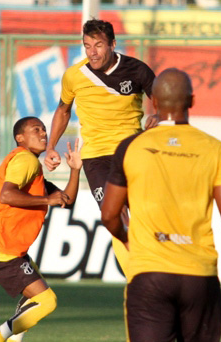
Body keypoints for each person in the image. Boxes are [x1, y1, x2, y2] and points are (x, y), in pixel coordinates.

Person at [100, 68, 221, 342]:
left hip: (149, 272)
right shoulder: (214, 149)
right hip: (198, 274)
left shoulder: (131, 147)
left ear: (153, 102)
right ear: (192, 102)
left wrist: (126, 236)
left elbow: (109, 214)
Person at [43, 18, 156, 275]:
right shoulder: (74, 76)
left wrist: (158, 115)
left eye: (98, 45)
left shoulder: (137, 70)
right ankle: (136, 277)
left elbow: (162, 99)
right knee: (112, 213)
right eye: (87, 46)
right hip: (96, 158)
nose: (92, 51)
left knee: (144, 214)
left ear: (113, 44)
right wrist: (51, 147)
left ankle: (156, 264)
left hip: (132, 151)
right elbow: (63, 110)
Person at [0, 116, 82, 342]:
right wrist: (46, 199)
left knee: (35, 297)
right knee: (47, 301)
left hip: (4, 245)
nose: (43, 133)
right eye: (36, 130)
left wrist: (76, 169)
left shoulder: (33, 167)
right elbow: (7, 195)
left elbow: (65, 200)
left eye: (44, 129)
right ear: (20, 138)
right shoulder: (25, 159)